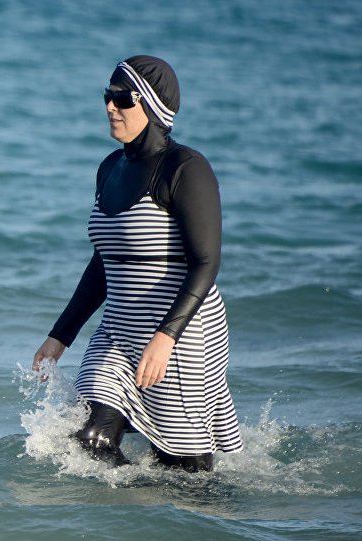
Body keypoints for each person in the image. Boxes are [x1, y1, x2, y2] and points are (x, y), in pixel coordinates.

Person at [33, 55, 243, 472]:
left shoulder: (186, 168)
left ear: (151, 103)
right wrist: (60, 336)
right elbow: (103, 264)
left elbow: (206, 262)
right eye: (107, 96)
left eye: (123, 98)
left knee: (186, 475)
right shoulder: (110, 168)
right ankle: (132, 501)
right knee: (88, 438)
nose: (111, 106)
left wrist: (166, 337)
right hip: (117, 329)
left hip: (181, 333)